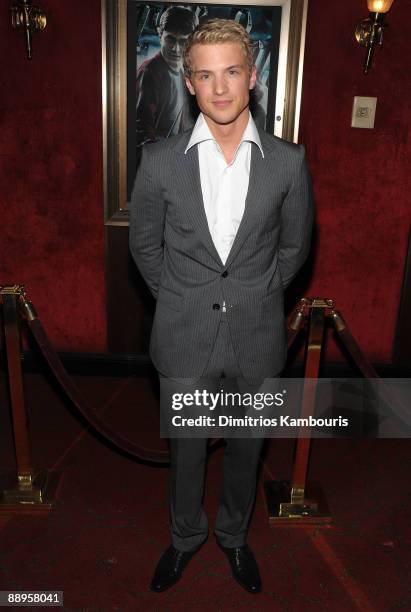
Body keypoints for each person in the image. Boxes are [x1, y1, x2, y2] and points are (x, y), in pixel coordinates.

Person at [130, 19, 314, 594]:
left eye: (231, 72)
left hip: (256, 333)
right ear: (188, 83)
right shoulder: (159, 161)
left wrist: (253, 295)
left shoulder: (288, 161)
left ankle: (234, 536)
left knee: (244, 452)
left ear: (252, 76)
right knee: (186, 455)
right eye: (205, 75)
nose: (220, 88)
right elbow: (144, 247)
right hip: (183, 332)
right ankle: (185, 538)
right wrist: (187, 298)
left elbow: (294, 249)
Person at [136, 6, 198, 151]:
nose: (176, 49)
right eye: (170, 40)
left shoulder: (184, 74)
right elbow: (141, 132)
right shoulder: (150, 73)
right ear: (160, 34)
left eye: (183, 42)